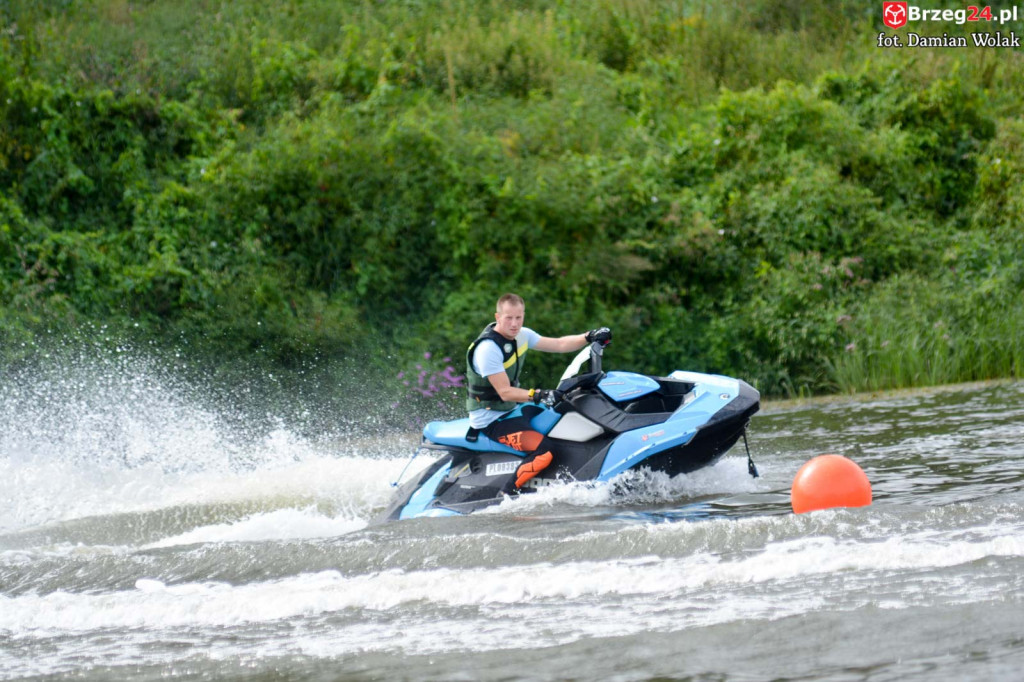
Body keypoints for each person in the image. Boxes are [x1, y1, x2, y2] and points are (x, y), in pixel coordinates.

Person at [466, 293, 611, 491]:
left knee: (561, 414)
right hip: (491, 419)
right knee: (544, 451)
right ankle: (506, 495)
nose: (514, 324)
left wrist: (589, 336)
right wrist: (539, 395)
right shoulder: (488, 349)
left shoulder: (522, 335)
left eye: (519, 317)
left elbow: (559, 344)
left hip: (512, 409)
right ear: (498, 317)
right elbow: (504, 392)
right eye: (509, 318)